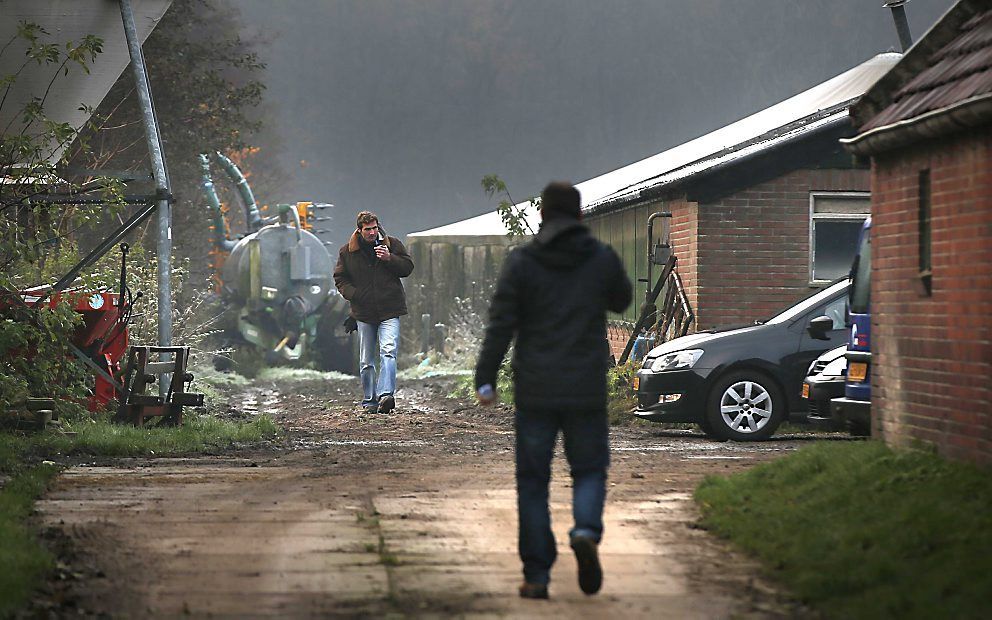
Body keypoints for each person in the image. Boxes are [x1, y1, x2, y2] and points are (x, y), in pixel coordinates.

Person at [474, 181, 633, 600]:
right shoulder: (599, 257)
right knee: (589, 469)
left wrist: (485, 378)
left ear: (542, 215)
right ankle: (584, 530)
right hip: (585, 387)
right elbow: (623, 299)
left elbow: (500, 324)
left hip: (536, 389)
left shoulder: (523, 262)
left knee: (532, 481)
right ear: (580, 216)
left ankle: (538, 575)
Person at [334, 211, 414, 414]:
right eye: (367, 229)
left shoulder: (392, 245)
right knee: (366, 360)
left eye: (374, 228)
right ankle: (370, 400)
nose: (372, 232)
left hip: (390, 309)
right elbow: (340, 278)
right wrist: (355, 295)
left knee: (388, 350)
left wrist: (390, 258)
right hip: (364, 313)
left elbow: (407, 267)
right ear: (359, 230)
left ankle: (386, 395)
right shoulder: (347, 252)